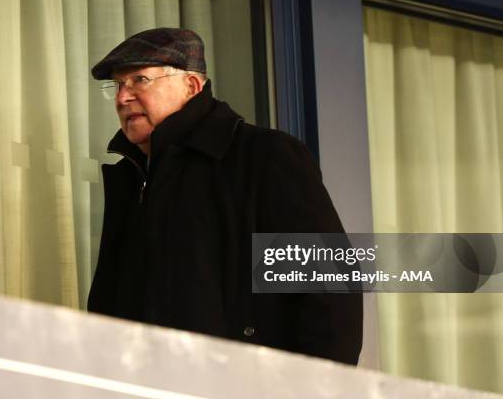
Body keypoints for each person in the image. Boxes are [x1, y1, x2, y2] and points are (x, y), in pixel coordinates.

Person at [87, 28, 362, 365]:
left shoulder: (263, 156)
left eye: (140, 80)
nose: (122, 98)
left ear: (191, 86)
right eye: (117, 86)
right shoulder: (131, 177)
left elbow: (330, 287)